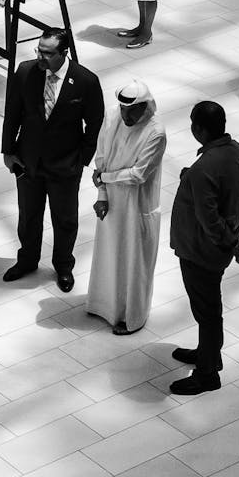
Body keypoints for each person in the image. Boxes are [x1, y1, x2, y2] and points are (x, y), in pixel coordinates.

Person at [1, 26, 104, 290]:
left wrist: (81, 160)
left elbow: (94, 124)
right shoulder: (26, 72)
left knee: (65, 219)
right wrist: (8, 151)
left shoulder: (85, 81)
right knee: (28, 216)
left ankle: (63, 266)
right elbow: (12, 113)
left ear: (64, 53)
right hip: (29, 162)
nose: (40, 57)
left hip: (64, 166)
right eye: (39, 50)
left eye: (47, 53)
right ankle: (27, 260)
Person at [169, 101, 239, 395]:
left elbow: (210, 220)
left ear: (199, 129)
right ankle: (207, 353)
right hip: (219, 245)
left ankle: (207, 373)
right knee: (207, 310)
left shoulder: (203, 169)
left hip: (200, 251)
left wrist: (231, 244)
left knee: (207, 312)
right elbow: (232, 195)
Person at [87, 79, 167, 334]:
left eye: (131, 111)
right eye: (123, 109)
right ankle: (104, 306)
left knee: (134, 264)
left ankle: (131, 317)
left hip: (137, 207)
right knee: (108, 256)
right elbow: (102, 158)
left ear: (144, 107)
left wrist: (105, 180)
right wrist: (102, 193)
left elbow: (138, 175)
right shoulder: (113, 117)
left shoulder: (156, 132)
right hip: (111, 202)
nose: (126, 115)